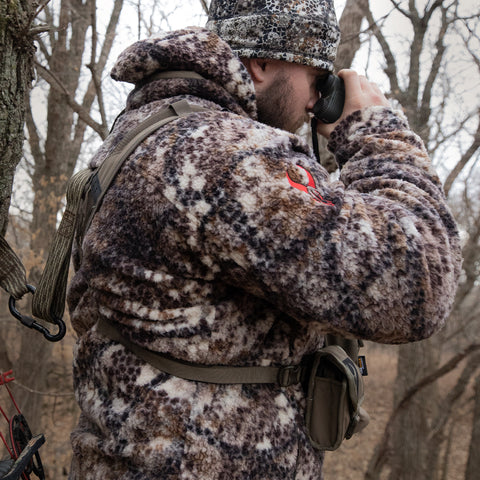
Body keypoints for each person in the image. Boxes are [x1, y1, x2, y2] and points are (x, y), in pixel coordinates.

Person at [67, 0, 462, 479]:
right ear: (261, 64)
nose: (318, 102)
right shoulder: (226, 157)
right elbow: (416, 284)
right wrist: (378, 138)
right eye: (317, 81)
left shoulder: (154, 132)